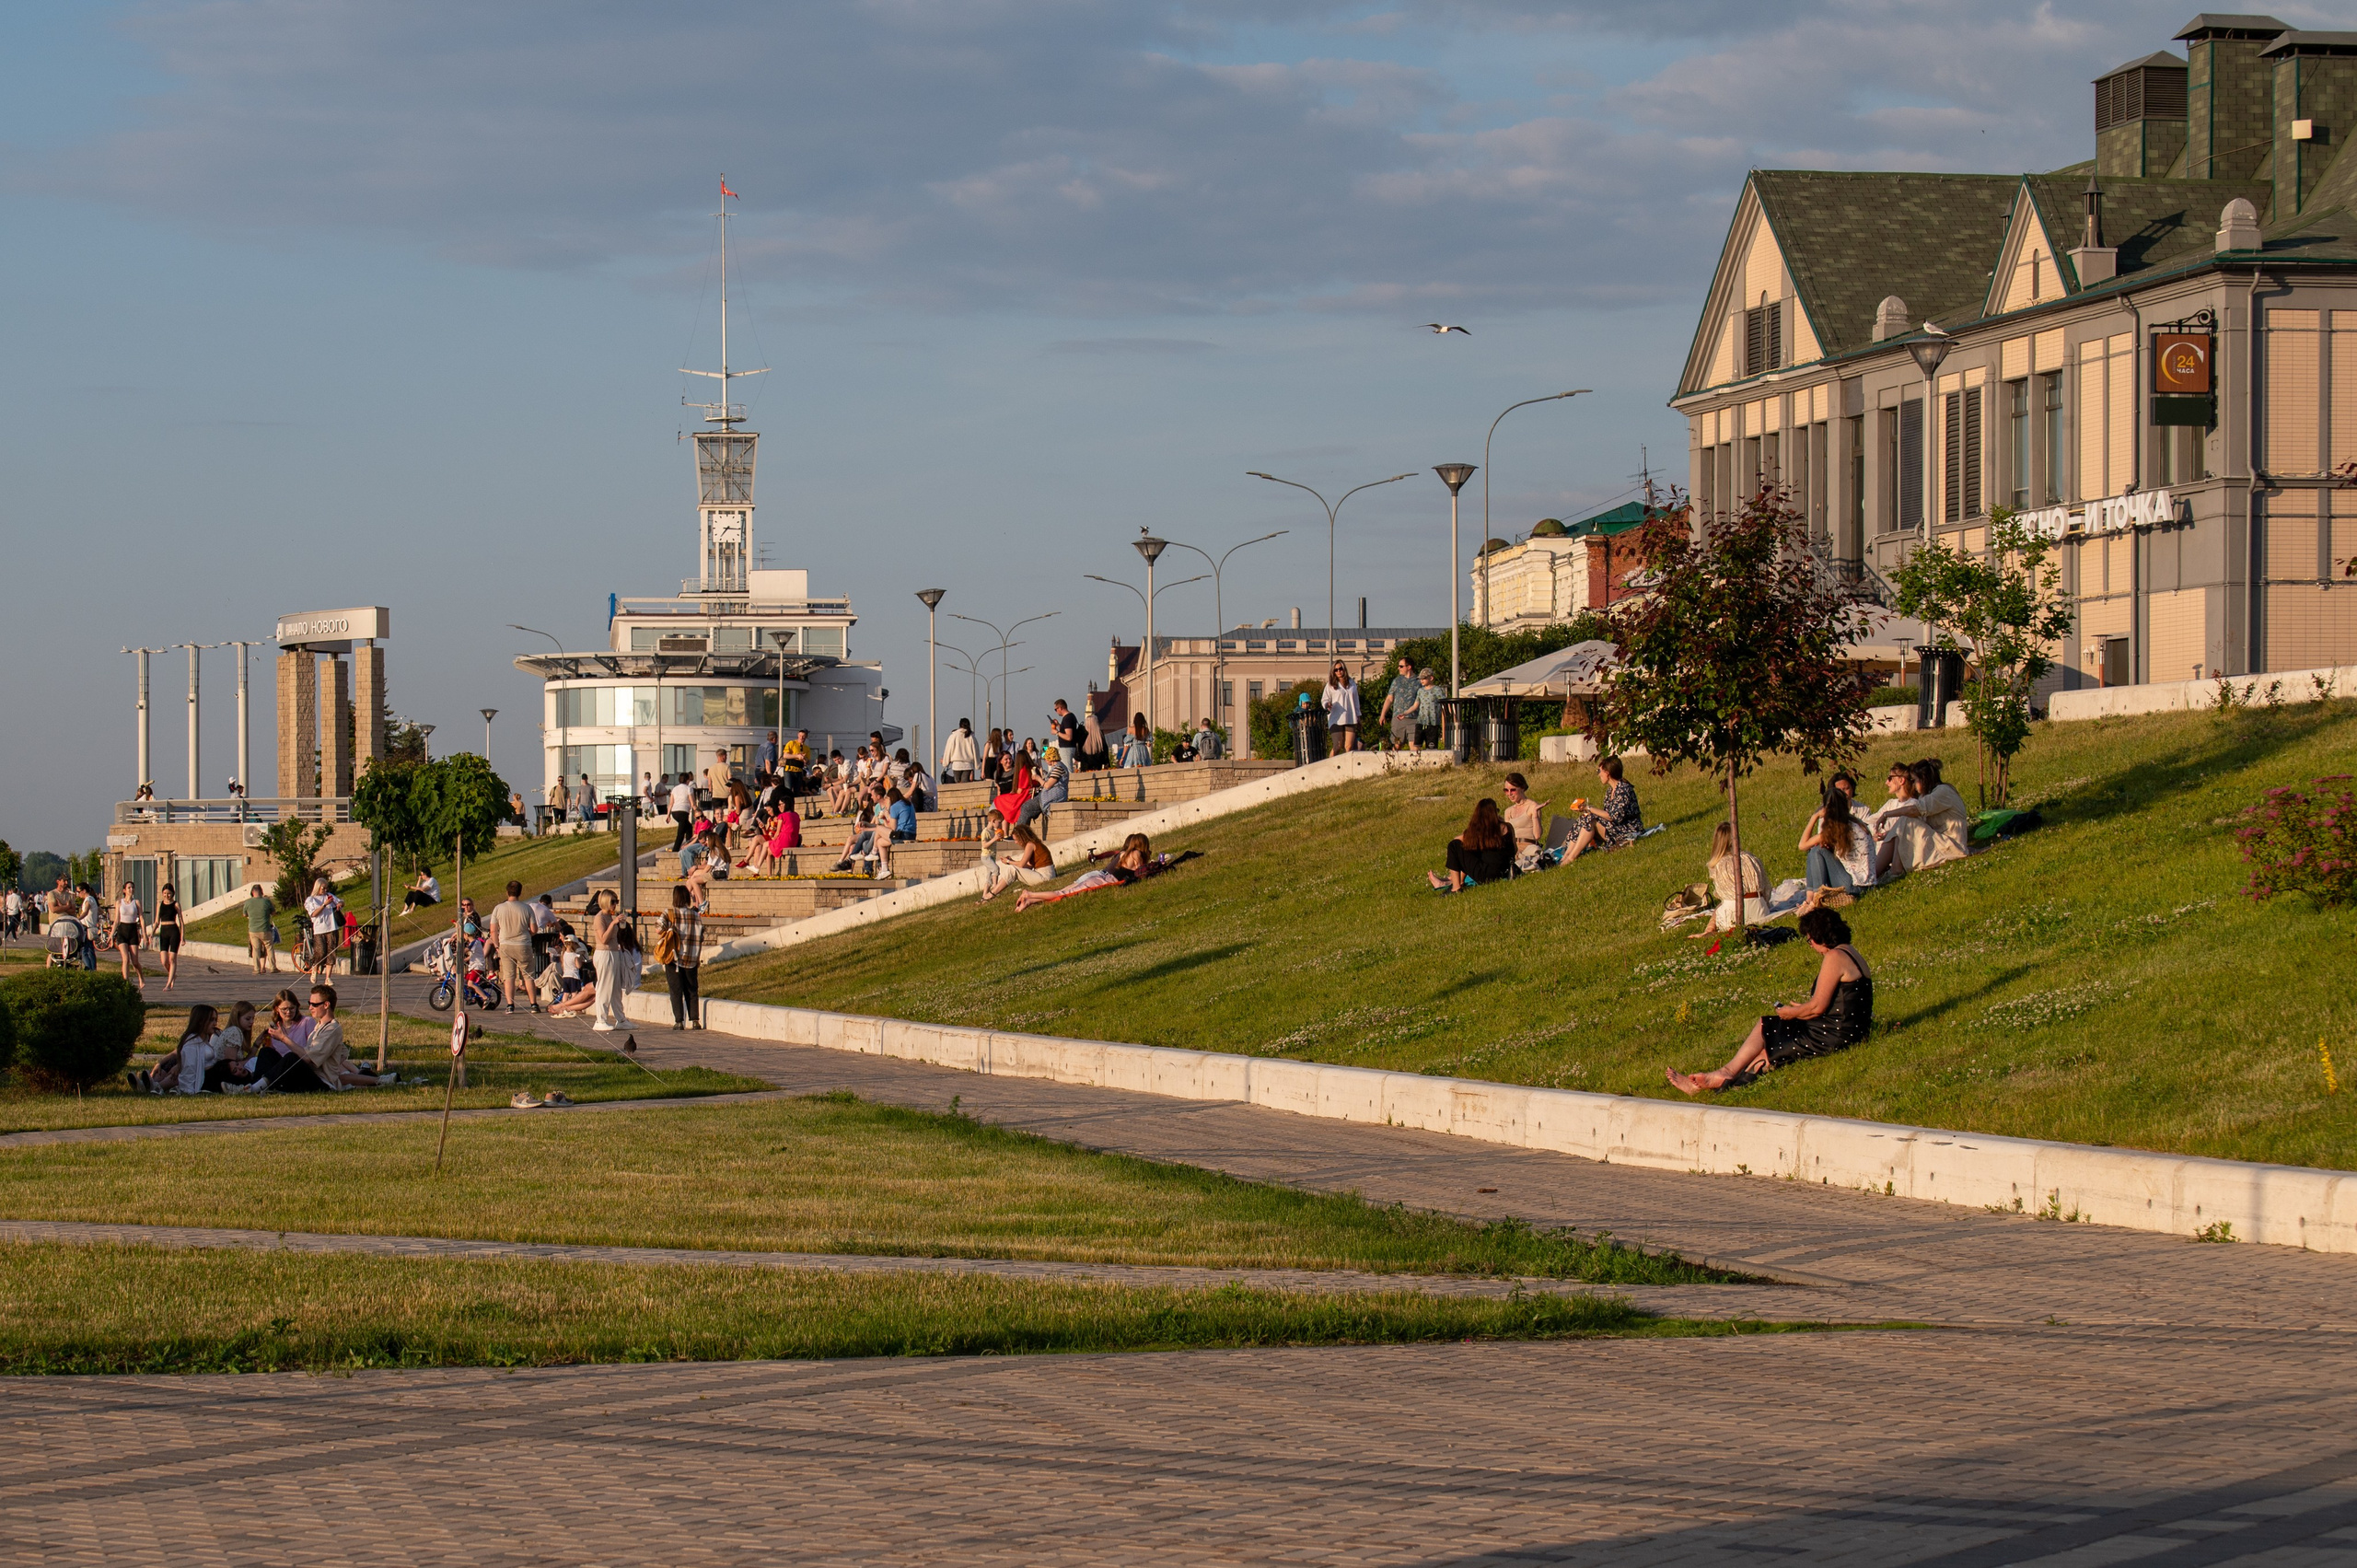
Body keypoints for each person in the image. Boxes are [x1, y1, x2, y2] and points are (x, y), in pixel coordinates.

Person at [1667, 907, 1874, 1093]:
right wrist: (1800, 1010)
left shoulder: (1834, 957)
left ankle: (1721, 1081)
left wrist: (1791, 1013)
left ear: (1821, 936)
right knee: (1768, 1028)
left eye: (1809, 939)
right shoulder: (1849, 952)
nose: (1810, 945)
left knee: (1768, 1048)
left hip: (1833, 1034)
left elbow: (1818, 1007)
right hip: (1846, 1028)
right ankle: (1723, 1076)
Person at [1871, 757, 1971, 878]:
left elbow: (1914, 810)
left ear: (1923, 779)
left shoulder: (1943, 792)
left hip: (1952, 846)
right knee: (1902, 824)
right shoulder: (1929, 795)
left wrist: (1886, 814)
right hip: (1940, 841)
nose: (1913, 784)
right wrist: (1889, 833)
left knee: (1905, 819)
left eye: (1914, 780)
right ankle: (1876, 874)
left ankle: (1891, 871)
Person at [1013, 834, 1153, 912]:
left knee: (1061, 893)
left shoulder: (1125, 853)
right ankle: (1030, 894)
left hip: (1099, 876)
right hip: (1103, 880)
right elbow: (1141, 871)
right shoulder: (1136, 853)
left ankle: (1030, 901)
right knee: (1062, 894)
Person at [1562, 757, 1645, 864]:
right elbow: (1606, 816)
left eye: (1599, 771)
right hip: (1616, 827)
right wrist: (1587, 811)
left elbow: (1612, 816)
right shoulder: (1610, 791)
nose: (1599, 775)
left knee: (1589, 819)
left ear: (1607, 773)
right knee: (1585, 818)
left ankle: (1571, 858)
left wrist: (1589, 808)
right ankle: (1566, 855)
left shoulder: (1624, 790)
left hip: (1628, 829)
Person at [1800, 781, 1875, 897]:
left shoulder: (1836, 828)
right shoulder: (1855, 823)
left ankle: (1815, 898)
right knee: (1817, 849)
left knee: (1816, 851)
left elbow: (1802, 845)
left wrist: (1814, 817)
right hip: (1867, 884)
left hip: (1853, 887)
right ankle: (1811, 898)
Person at [1428, 798, 1515, 892]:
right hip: (1504, 872)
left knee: (1454, 846)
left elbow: (1457, 840)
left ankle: (1456, 887)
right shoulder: (1508, 827)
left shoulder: (1481, 832)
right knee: (1472, 850)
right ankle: (1460, 881)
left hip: (1485, 876)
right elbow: (1515, 849)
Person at [1698, 820, 1769, 935]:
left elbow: (1722, 896)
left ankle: (1709, 929)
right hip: (1760, 910)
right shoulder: (1751, 858)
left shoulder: (1719, 864)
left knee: (1720, 907)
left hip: (1733, 915)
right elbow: (1766, 889)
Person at [489, 879, 538, 1014]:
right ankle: (534, 1003)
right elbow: (534, 929)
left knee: (509, 976)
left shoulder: (499, 908)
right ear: (520, 893)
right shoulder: (527, 908)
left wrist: (497, 945)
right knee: (528, 975)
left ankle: (510, 1005)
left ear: (507, 892)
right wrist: (527, 934)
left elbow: (493, 930)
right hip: (523, 944)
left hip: (505, 945)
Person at [979, 822, 1056, 901]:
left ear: (1022, 837)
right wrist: (1012, 861)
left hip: (1045, 876)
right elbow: (1028, 865)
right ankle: (992, 893)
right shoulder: (1035, 843)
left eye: (1016, 839)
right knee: (1013, 868)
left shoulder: (1030, 844)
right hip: (1048, 875)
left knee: (1012, 869)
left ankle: (991, 894)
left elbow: (1022, 864)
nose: (1015, 842)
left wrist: (1009, 861)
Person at [588, 889, 628, 1032]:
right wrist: (614, 924)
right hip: (604, 954)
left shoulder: (610, 917)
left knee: (616, 988)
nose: (615, 905)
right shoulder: (599, 918)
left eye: (616, 901)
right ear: (605, 901)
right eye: (613, 901)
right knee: (604, 987)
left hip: (614, 952)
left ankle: (621, 1018)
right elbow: (603, 939)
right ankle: (601, 1019)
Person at [1500, 774, 1549, 871]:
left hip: (1527, 846)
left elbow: (1537, 835)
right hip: (1513, 848)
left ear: (1522, 788)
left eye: (1513, 790)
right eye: (1506, 790)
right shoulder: (1508, 811)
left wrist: (1535, 814)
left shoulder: (1532, 806)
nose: (1509, 794)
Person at [302, 877, 343, 984]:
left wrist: (339, 904)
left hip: (332, 927)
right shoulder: (311, 900)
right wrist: (324, 905)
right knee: (320, 952)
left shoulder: (329, 896)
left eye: (326, 888)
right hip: (320, 929)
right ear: (318, 887)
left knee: (331, 952)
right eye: (323, 888)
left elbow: (340, 901)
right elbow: (314, 913)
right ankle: (315, 969)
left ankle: (328, 977)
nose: (325, 890)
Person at [1377, 656, 1421, 752]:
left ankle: (1415, 766)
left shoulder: (1419, 682)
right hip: (1398, 718)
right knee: (1397, 746)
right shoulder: (1397, 681)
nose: (1398, 668)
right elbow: (1389, 698)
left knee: (1414, 747)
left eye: (1401, 666)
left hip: (1414, 719)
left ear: (1409, 667)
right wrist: (1383, 715)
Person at [1322, 662, 1363, 752]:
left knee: (1349, 747)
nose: (1339, 671)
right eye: (1336, 670)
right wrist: (1327, 704)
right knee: (1338, 745)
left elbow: (1356, 701)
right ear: (1333, 672)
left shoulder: (1352, 683)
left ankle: (1347, 766)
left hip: (1350, 717)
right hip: (1336, 718)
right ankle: (1330, 764)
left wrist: (1358, 716)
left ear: (1344, 669)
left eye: (1341, 669)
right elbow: (1324, 699)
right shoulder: (1330, 685)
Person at [112, 881, 145, 990]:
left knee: (135, 961)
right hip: (122, 931)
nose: (131, 889)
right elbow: (116, 920)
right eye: (129, 888)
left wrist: (144, 934)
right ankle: (125, 982)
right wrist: (111, 934)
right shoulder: (119, 903)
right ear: (124, 890)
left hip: (132, 931)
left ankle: (141, 977)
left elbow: (141, 918)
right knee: (125, 959)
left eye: (132, 887)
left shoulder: (136, 903)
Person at [152, 880, 182, 990]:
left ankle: (168, 984)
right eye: (165, 893)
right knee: (164, 960)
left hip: (174, 931)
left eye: (169, 893)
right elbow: (156, 921)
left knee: (172, 959)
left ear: (173, 894)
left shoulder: (176, 904)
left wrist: (182, 936)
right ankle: (173, 974)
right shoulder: (160, 904)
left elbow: (181, 922)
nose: (167, 895)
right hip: (163, 931)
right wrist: (152, 933)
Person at [242, 883, 277, 974]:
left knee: (256, 949)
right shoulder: (266, 901)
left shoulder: (247, 902)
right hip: (265, 929)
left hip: (253, 930)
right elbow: (273, 912)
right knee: (269, 948)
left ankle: (257, 969)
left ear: (252, 892)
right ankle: (273, 967)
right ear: (261, 892)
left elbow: (244, 914)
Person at [941, 719, 980, 784]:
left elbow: (948, 749)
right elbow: (976, 751)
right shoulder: (971, 737)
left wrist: (945, 762)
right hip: (968, 764)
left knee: (957, 783)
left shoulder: (954, 736)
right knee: (965, 783)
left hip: (957, 764)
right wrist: (977, 765)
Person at [1415, 668, 1444, 749]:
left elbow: (1444, 703)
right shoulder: (1420, 691)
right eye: (1420, 679)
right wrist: (1405, 713)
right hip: (1421, 721)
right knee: (1417, 745)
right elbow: (1416, 705)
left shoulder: (1437, 690)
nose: (1421, 680)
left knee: (1431, 746)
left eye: (1424, 678)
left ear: (1431, 678)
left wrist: (1452, 714)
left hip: (1433, 722)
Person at [668, 772, 697, 851]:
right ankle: (675, 849)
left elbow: (671, 803)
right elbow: (692, 802)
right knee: (680, 833)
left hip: (675, 812)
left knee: (688, 828)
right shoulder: (688, 789)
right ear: (687, 780)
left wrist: (668, 815)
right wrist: (697, 812)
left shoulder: (675, 789)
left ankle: (688, 845)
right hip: (683, 811)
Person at [1079, 703, 1109, 772]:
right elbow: (1105, 750)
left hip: (1085, 767)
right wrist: (1106, 763)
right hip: (1098, 766)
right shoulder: (1100, 735)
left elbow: (1078, 753)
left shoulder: (1082, 735)